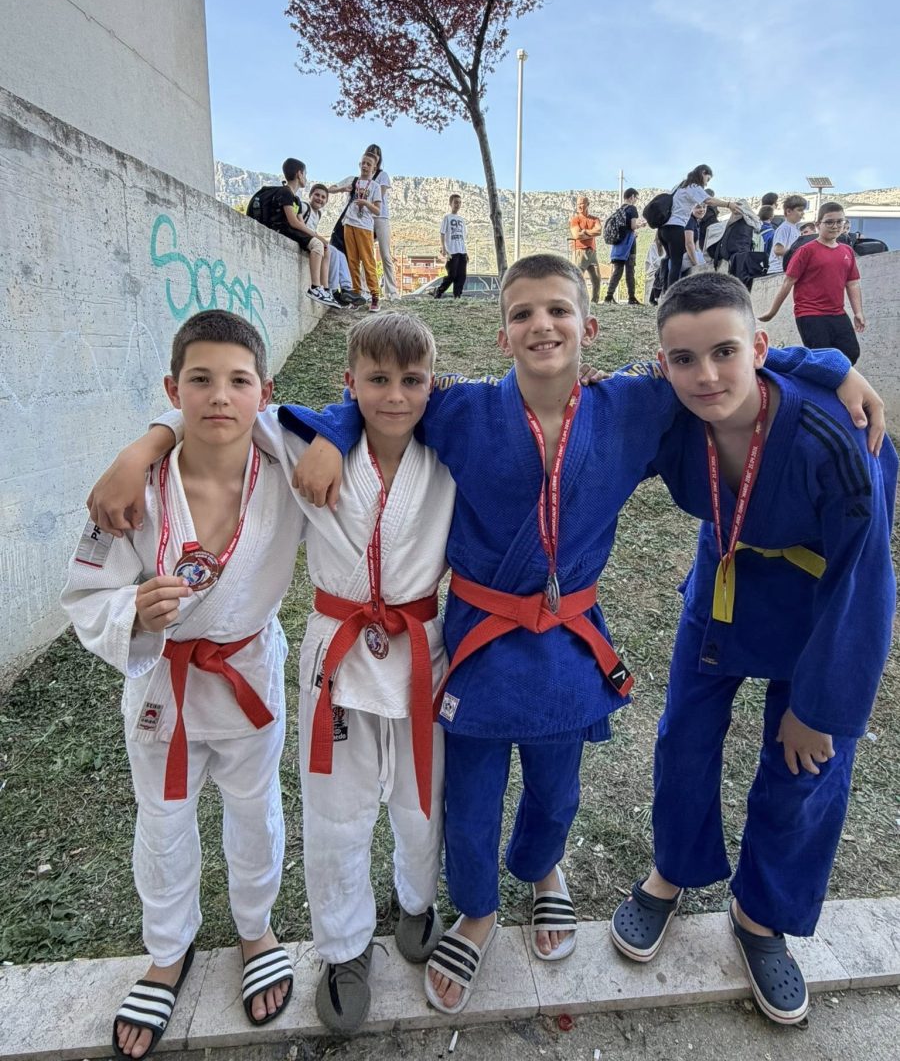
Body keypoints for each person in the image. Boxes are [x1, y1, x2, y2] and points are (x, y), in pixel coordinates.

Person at [286, 254, 880, 1017]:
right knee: (468, 793)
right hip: (480, 641)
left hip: (568, 641)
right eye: (523, 313)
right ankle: (477, 910)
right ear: (502, 334)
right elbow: (385, 402)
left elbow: (730, 358)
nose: (542, 325)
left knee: (557, 785)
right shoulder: (460, 409)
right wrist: (333, 430)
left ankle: (544, 871)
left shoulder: (632, 403)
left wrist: (832, 365)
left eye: (558, 310)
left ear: (589, 326)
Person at [83, 315, 458, 1038]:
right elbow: (221, 410)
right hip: (327, 656)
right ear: (349, 385)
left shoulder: (444, 446)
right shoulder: (292, 444)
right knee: (330, 811)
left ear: (431, 385)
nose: (395, 395)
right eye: (375, 381)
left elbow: (234, 403)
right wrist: (142, 447)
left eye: (412, 381)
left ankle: (414, 902)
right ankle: (342, 948)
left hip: (414, 649)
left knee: (421, 797)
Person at [610, 271, 896, 1027]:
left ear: (760, 348)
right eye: (683, 359)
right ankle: (674, 868)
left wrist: (820, 707)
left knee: (806, 762)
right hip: (726, 580)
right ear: (663, 363)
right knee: (684, 734)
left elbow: (864, 580)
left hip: (818, 602)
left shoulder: (833, 437)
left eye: (725, 353)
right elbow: (577, 401)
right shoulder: (670, 414)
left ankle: (761, 914)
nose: (706, 375)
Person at [62, 311, 300, 1058]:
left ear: (264, 392)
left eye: (238, 381)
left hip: (247, 674)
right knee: (162, 818)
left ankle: (256, 931)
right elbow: (85, 593)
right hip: (164, 686)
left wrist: (148, 437)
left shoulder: (289, 462)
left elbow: (367, 417)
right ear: (173, 389)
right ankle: (167, 953)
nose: (219, 396)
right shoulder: (135, 489)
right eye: (200, 380)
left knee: (255, 809)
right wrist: (131, 611)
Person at [760, 202, 865, 363]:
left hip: (837, 312)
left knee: (851, 353)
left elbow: (852, 283)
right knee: (822, 358)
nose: (835, 226)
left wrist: (858, 312)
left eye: (839, 221)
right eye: (829, 222)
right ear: (818, 224)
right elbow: (788, 282)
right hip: (810, 313)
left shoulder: (847, 251)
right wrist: (772, 312)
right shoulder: (805, 251)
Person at [660, 167, 740, 291]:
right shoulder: (693, 186)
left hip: (663, 229)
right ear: (703, 173)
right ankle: (672, 295)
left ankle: (667, 293)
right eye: (707, 179)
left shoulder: (680, 186)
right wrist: (729, 204)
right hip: (675, 227)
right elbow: (709, 200)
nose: (706, 184)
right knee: (676, 264)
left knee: (671, 262)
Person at [328, 152, 383, 312]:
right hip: (348, 223)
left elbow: (378, 210)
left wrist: (366, 203)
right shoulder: (353, 181)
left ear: (374, 168)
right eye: (363, 163)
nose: (365, 166)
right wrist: (342, 189)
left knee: (367, 260)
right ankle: (356, 296)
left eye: (369, 164)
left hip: (365, 226)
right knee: (352, 261)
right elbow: (330, 189)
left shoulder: (375, 186)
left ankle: (375, 296)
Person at [366, 143, 399, 299]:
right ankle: (366, 290)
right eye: (371, 152)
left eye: (377, 153)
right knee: (366, 254)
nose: (374, 155)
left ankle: (391, 291)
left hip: (381, 217)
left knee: (385, 254)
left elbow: (380, 194)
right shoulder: (363, 177)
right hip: (366, 218)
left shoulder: (382, 175)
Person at [605, 188, 643, 304]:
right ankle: (631, 297)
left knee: (618, 270)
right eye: (636, 198)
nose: (636, 200)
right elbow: (633, 226)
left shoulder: (620, 210)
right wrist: (641, 225)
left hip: (618, 244)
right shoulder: (632, 209)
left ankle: (608, 296)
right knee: (630, 270)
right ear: (632, 197)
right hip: (629, 244)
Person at [303, 184, 337, 306]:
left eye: (323, 197)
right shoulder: (304, 206)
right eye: (317, 195)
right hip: (301, 236)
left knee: (327, 249)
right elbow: (299, 224)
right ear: (310, 195)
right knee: (319, 245)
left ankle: (326, 289)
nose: (320, 199)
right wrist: (319, 238)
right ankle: (315, 287)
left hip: (310, 238)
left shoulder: (318, 214)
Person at [569, 195, 603, 303]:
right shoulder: (575, 220)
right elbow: (576, 235)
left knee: (596, 278)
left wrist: (585, 232)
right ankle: (576, 301)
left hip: (592, 252)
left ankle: (594, 301)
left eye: (582, 204)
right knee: (576, 278)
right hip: (579, 252)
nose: (579, 206)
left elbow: (599, 231)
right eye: (578, 204)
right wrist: (591, 233)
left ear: (588, 204)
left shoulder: (595, 219)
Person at [434, 193, 469, 299]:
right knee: (452, 274)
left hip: (462, 251)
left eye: (459, 203)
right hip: (452, 251)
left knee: (462, 275)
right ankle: (439, 290)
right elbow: (442, 233)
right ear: (450, 204)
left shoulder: (462, 219)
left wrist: (466, 252)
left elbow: (463, 238)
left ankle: (457, 296)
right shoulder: (447, 218)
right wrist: (444, 248)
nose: (458, 205)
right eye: (455, 202)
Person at [768, 196, 808, 276]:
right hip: (778, 270)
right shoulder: (784, 228)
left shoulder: (796, 230)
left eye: (803, 210)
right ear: (788, 211)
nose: (802, 213)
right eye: (799, 210)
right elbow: (778, 250)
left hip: (788, 269)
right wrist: (798, 253)